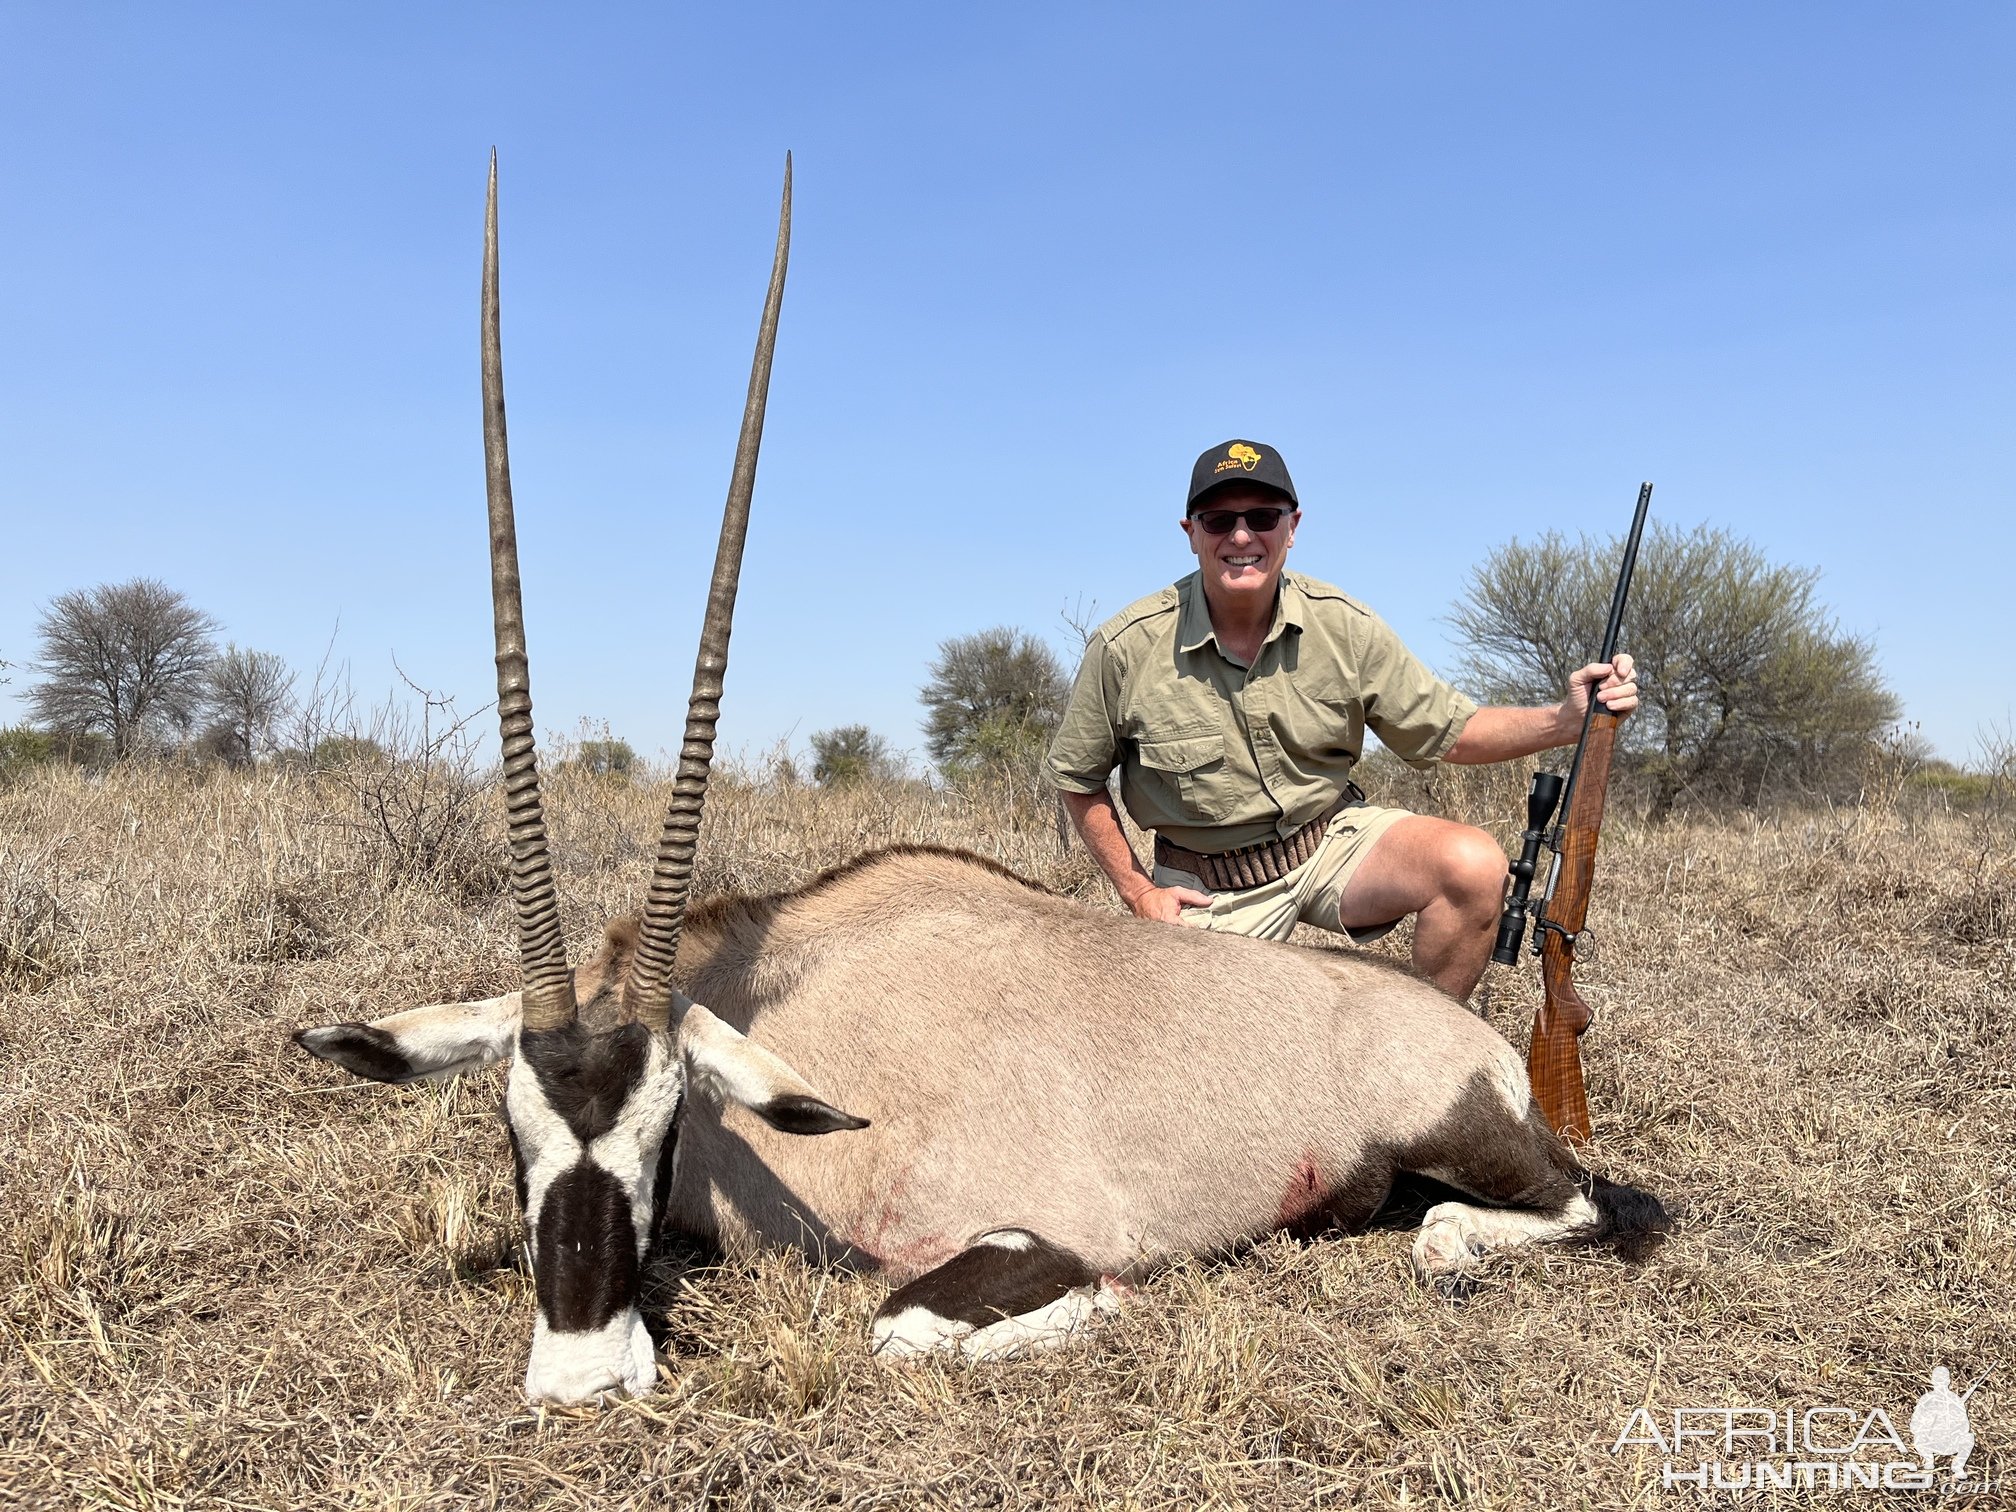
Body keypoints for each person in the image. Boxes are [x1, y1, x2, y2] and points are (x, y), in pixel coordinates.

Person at [1045, 438, 1638, 1002]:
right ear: (1191, 534)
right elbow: (1078, 777)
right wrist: (1139, 891)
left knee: (1473, 865)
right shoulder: (1127, 645)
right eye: (1219, 520)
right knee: (1220, 1077)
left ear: (1293, 528)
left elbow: (1449, 731)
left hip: (1329, 842)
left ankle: (1418, 1067)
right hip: (1208, 887)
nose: (1242, 535)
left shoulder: (1345, 624)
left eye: (1263, 516)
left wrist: (1565, 719)